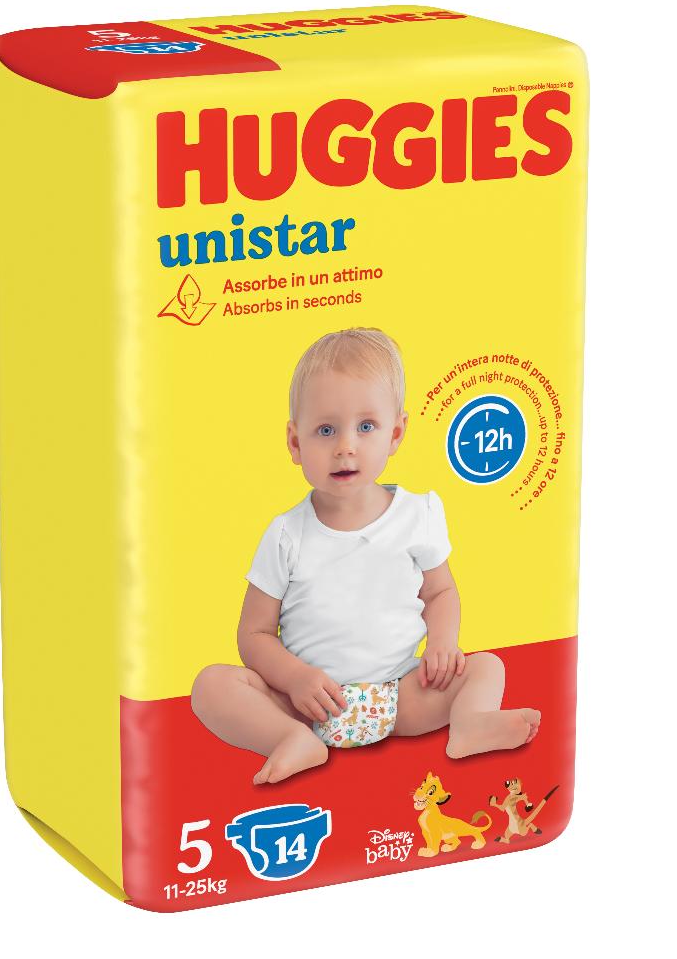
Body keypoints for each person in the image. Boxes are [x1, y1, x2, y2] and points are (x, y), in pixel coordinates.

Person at [191, 328, 539, 784]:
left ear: (395, 434)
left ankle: (471, 724)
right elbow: (254, 634)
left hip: (403, 697)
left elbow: (440, 592)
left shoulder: (417, 515)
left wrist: (442, 643)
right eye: (326, 430)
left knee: (486, 666)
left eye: (366, 426)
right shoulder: (286, 535)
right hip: (305, 705)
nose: (346, 446)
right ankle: (289, 738)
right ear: (295, 443)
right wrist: (295, 678)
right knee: (211, 686)